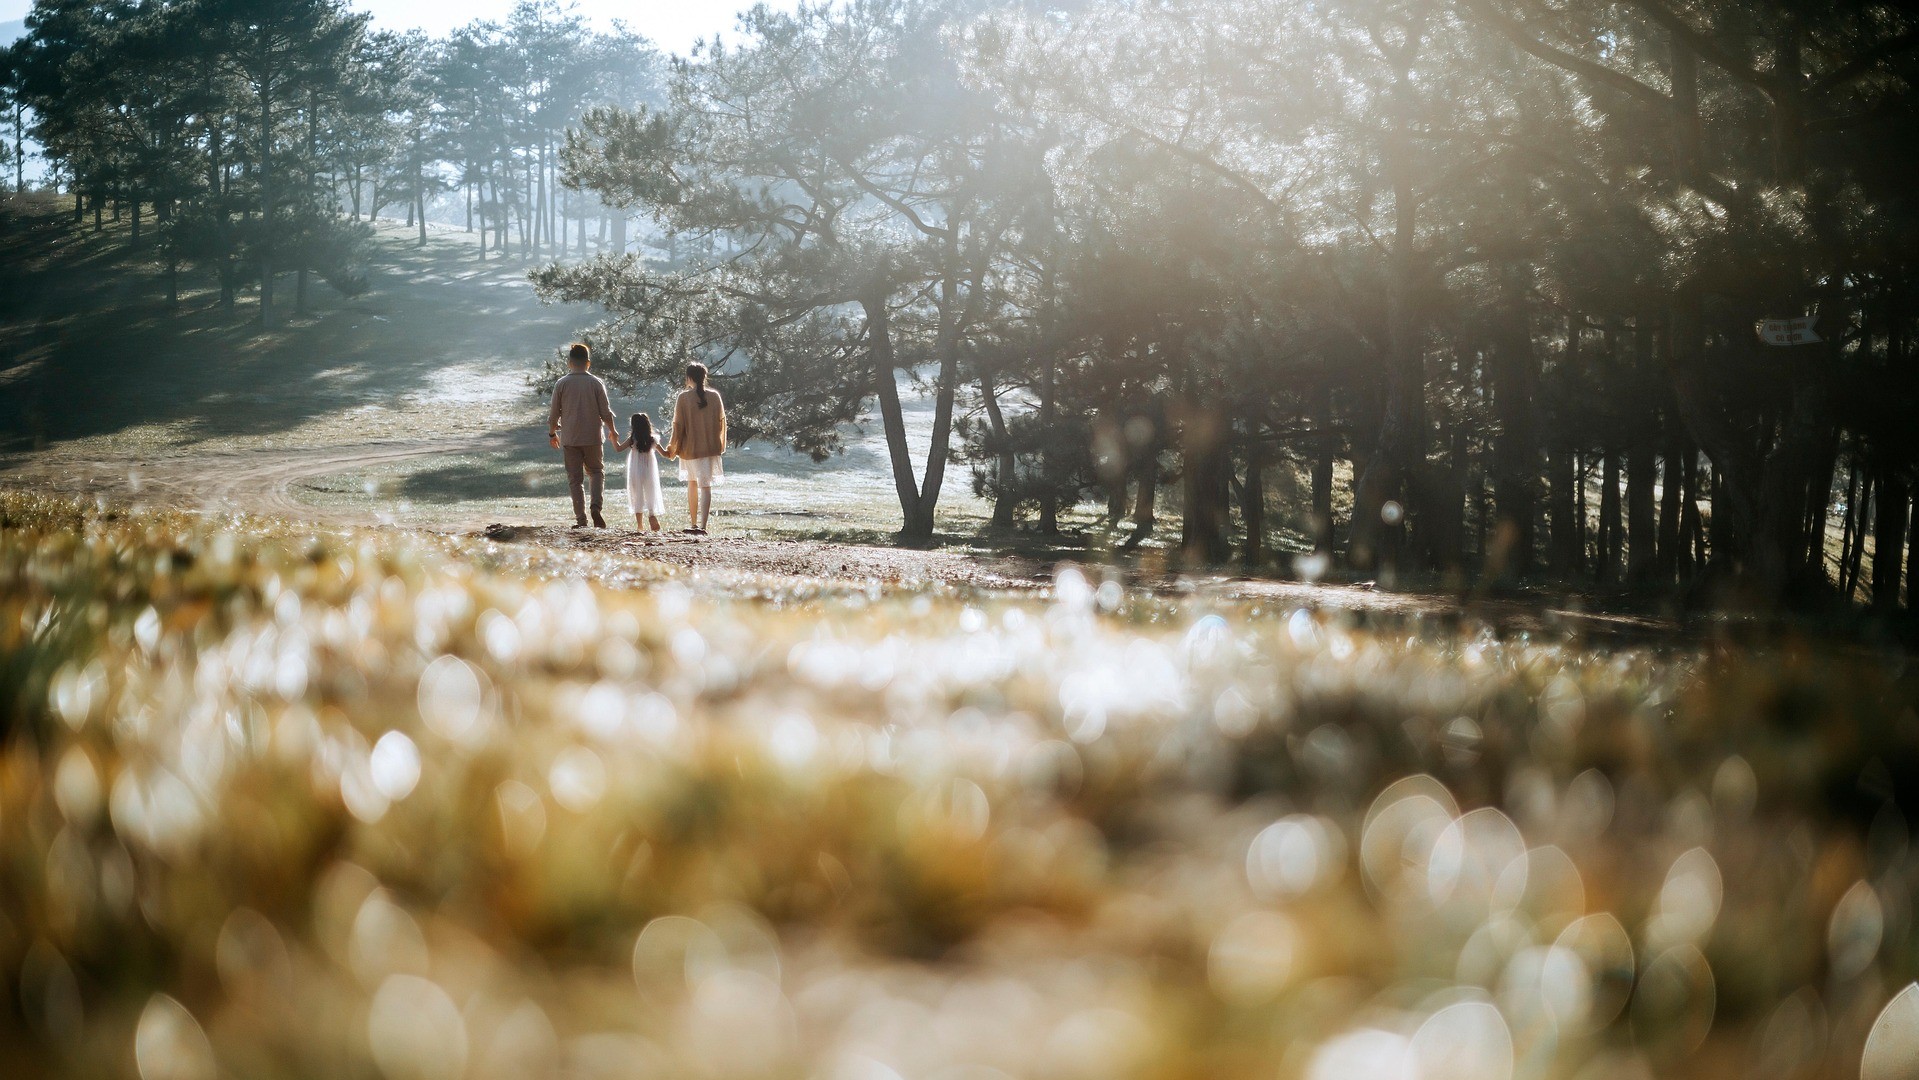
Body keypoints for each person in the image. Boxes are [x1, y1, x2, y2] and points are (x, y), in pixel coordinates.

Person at [546, 343, 619, 528]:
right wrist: (612, 430)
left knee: (575, 480)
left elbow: (554, 415)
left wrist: (552, 433)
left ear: (569, 363)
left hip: (570, 438)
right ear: (588, 363)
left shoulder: (561, 384)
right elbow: (606, 412)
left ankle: (581, 519)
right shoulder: (596, 383)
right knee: (596, 472)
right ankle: (595, 507)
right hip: (593, 437)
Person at [664, 362, 727, 535]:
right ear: (704, 377)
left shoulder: (683, 398)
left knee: (692, 483)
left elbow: (678, 426)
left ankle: (693, 523)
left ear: (689, 377)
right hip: (709, 447)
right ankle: (703, 526)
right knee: (705, 486)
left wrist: (672, 447)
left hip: (689, 448)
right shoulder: (715, 396)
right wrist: (719, 445)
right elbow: (721, 423)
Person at [615, 411, 668, 533]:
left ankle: (640, 525)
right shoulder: (652, 440)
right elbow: (665, 453)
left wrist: (613, 438)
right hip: (650, 470)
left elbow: (618, 448)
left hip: (635, 470)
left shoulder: (632, 440)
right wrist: (673, 450)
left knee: (637, 494)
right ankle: (651, 514)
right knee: (651, 491)